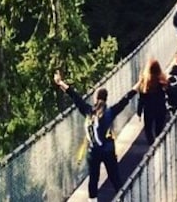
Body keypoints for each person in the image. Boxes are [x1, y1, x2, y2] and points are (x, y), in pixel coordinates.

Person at [54, 71, 137, 202]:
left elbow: (75, 97)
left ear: (95, 98)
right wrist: (137, 87)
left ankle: (92, 200)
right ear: (105, 98)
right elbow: (125, 100)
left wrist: (60, 83)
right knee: (114, 176)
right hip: (108, 150)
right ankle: (123, 198)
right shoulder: (110, 112)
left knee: (93, 178)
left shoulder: (88, 111)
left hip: (93, 152)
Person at [136, 58, 170, 144]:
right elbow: (169, 92)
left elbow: (141, 99)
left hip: (148, 109)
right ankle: (158, 144)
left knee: (148, 128)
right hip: (160, 107)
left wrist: (139, 112)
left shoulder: (145, 82)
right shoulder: (162, 80)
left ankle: (151, 144)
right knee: (159, 128)